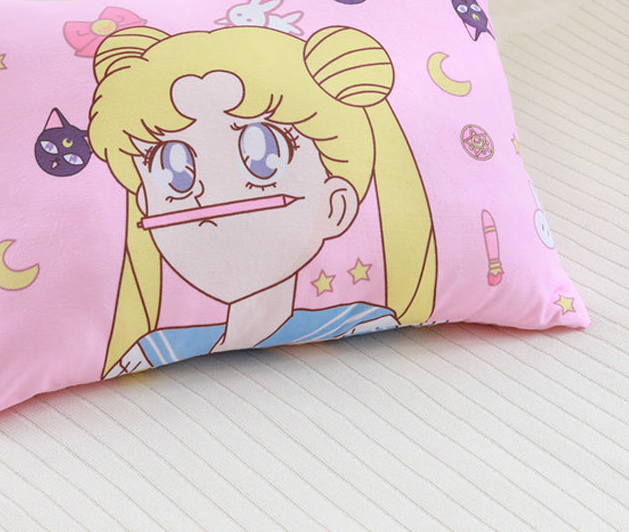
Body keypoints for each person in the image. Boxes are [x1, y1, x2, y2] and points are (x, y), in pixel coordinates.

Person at [88, 24, 436, 379]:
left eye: (262, 157)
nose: (210, 199)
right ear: (145, 203)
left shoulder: (363, 321)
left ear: (335, 206)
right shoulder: (152, 347)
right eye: (173, 170)